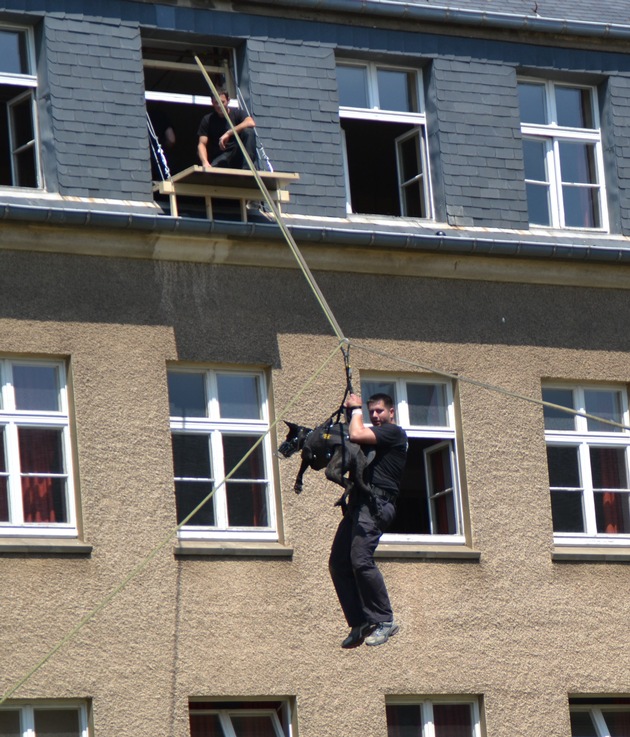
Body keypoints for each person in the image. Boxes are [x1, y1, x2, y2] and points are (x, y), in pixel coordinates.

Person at [329, 391, 408, 648]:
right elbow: (349, 440)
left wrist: (356, 409)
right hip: (359, 505)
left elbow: (356, 434)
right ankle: (360, 621)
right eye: (372, 412)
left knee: (360, 559)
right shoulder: (374, 437)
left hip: (377, 505)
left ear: (391, 412)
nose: (375, 416)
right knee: (338, 563)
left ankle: (384, 620)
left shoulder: (393, 433)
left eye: (379, 411)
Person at [197, 89, 257, 170]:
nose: (219, 105)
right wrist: (205, 162)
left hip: (237, 154)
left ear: (228, 101)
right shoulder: (208, 120)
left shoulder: (237, 113)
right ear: (212, 103)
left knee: (248, 132)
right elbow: (202, 144)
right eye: (216, 103)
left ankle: (248, 169)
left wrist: (229, 133)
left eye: (222, 102)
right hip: (221, 156)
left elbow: (250, 122)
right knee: (215, 169)